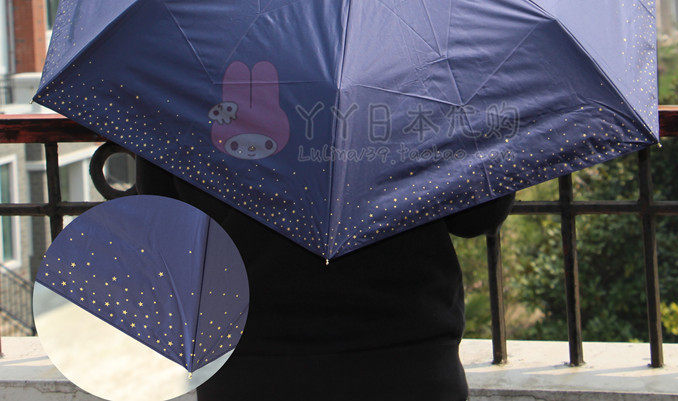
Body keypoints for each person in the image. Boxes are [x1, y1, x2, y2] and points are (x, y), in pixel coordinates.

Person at [136, 157, 515, 401]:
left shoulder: (188, 72)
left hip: (248, 365)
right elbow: (478, 216)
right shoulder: (421, 74)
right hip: (408, 360)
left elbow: (166, 219)